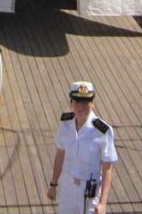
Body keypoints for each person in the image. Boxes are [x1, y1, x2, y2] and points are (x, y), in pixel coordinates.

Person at [47, 81, 117, 214]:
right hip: (67, 188)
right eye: (77, 101)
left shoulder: (102, 131)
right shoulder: (65, 124)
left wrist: (102, 203)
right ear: (71, 103)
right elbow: (60, 155)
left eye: (85, 102)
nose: (81, 107)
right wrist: (53, 185)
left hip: (89, 193)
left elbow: (107, 169)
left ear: (92, 103)